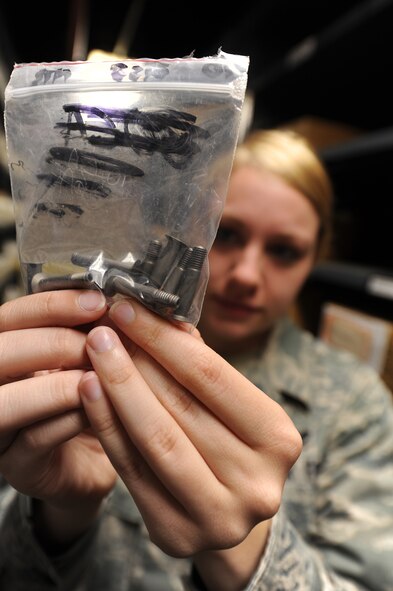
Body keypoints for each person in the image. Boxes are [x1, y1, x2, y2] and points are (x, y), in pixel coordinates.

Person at [0, 129, 392, 591]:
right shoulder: (91, 351)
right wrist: (62, 513)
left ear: (316, 256)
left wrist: (244, 549)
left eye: (284, 251)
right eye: (225, 234)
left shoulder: (354, 401)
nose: (247, 274)